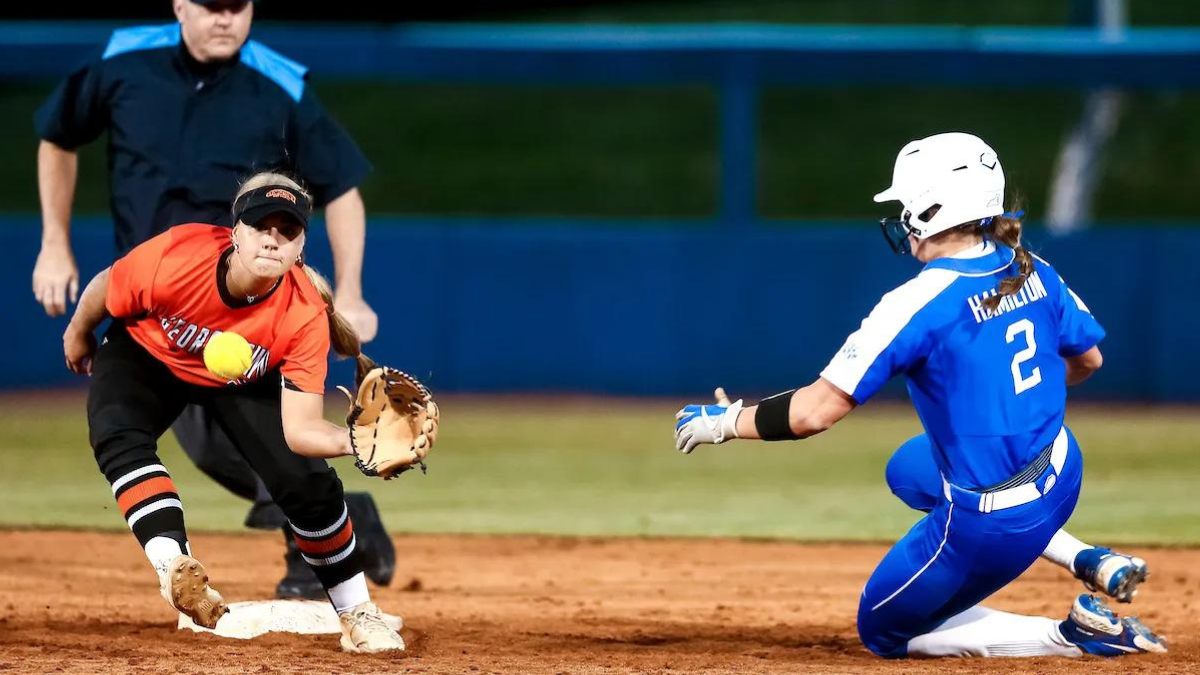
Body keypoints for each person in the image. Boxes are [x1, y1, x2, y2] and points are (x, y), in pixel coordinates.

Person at [673, 132, 1167, 658]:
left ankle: (1071, 637)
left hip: (990, 524)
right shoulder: (1032, 266)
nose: (903, 216)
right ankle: (1087, 558)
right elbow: (1088, 362)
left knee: (884, 632)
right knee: (907, 470)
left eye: (907, 204)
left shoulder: (915, 303)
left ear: (930, 211)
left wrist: (725, 422)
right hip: (1064, 472)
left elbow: (814, 413)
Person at [32, 0, 392, 599]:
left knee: (272, 449)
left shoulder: (278, 83)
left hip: (251, 313)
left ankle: (321, 543)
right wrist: (53, 243)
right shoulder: (126, 59)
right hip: (158, 303)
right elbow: (57, 135)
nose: (225, 18)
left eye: (238, 6)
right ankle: (337, 516)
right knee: (210, 449)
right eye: (210, 6)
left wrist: (349, 291)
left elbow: (342, 186)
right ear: (180, 7)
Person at [62, 172, 414, 653]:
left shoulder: (302, 313)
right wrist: (78, 333)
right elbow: (106, 286)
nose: (272, 238)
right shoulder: (177, 257)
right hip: (149, 351)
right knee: (116, 431)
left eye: (286, 230)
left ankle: (357, 613)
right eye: (259, 225)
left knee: (306, 481)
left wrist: (359, 442)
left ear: (300, 247)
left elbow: (303, 431)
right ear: (235, 232)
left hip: (243, 379)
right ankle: (175, 568)